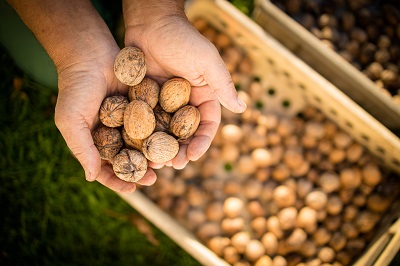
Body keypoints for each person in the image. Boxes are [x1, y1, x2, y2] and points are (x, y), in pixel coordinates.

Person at [5, 0, 247, 193]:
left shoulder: (145, 114)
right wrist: (75, 56)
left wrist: (156, 15)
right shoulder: (138, 112)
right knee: (42, 62)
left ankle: (121, 15)